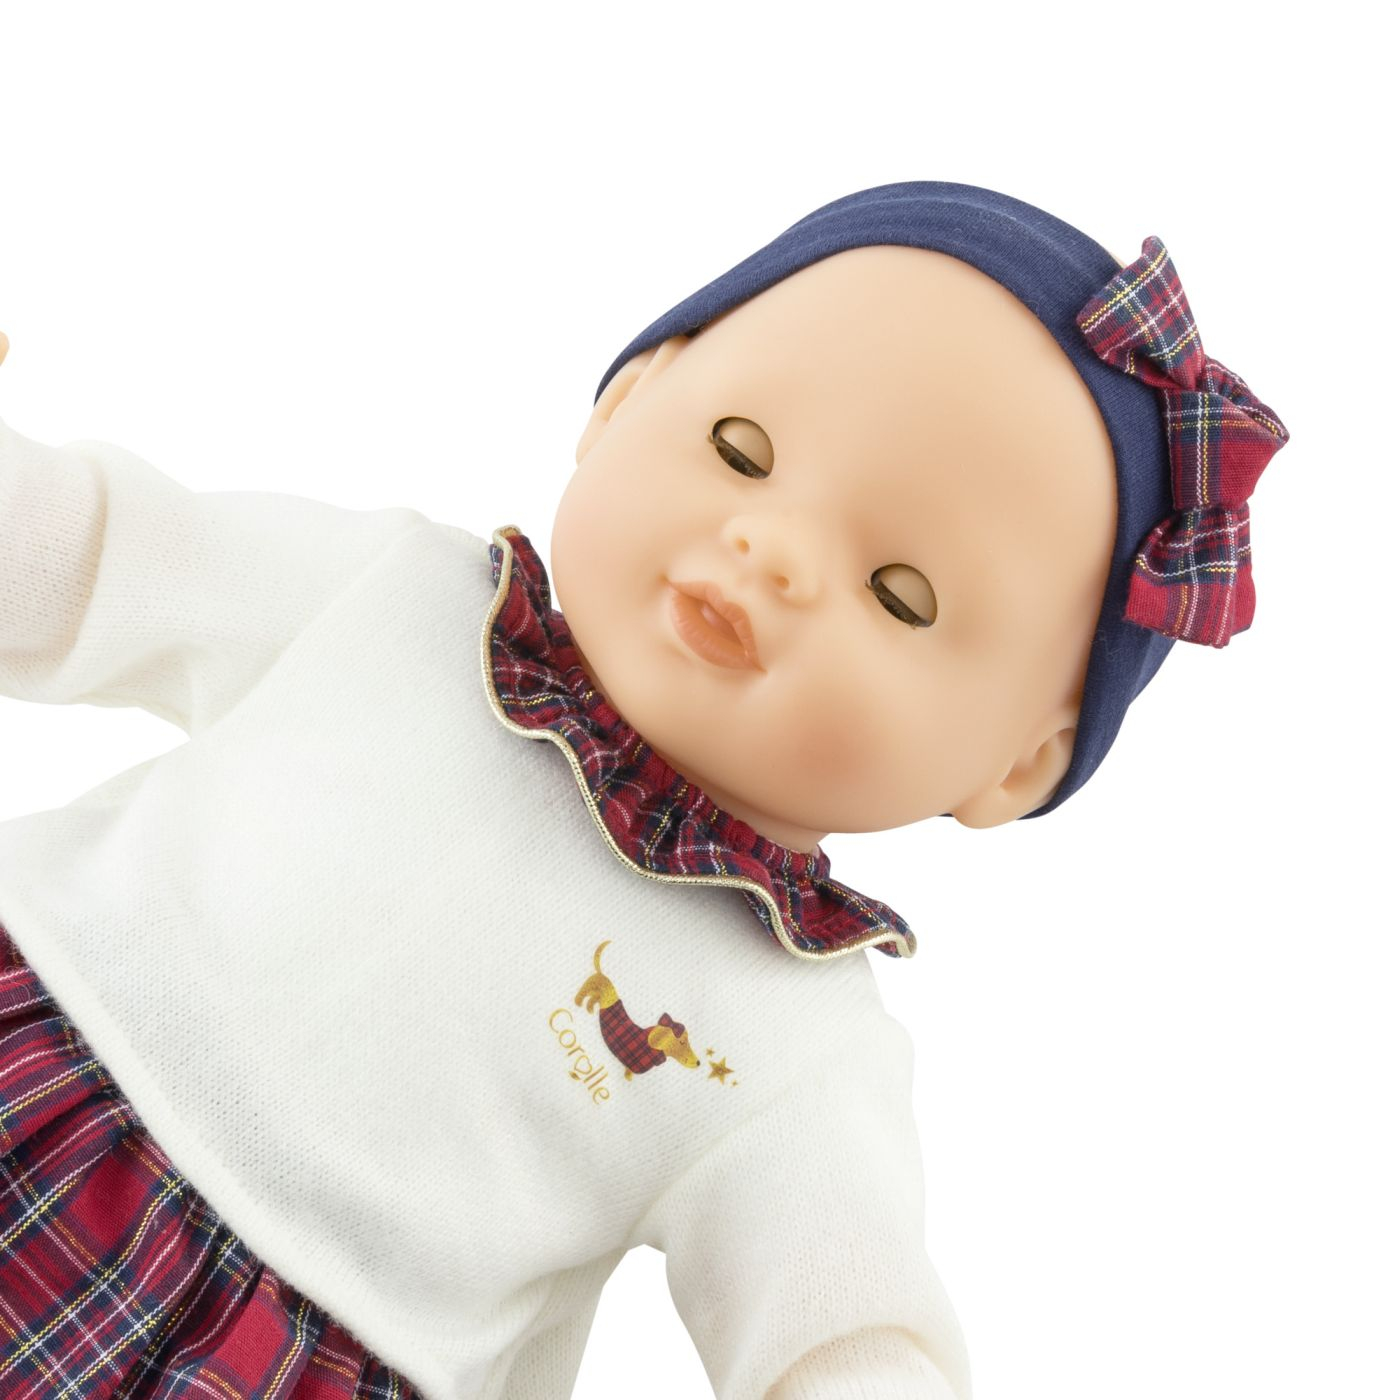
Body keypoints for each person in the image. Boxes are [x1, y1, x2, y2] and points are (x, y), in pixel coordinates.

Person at [0, 181, 1288, 1399]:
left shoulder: (788, 1034)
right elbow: (94, 563)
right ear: (626, 399)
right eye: (741, 449)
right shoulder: (399, 605)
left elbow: (835, 1315)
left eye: (901, 594)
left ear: (1020, 765)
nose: (772, 550)